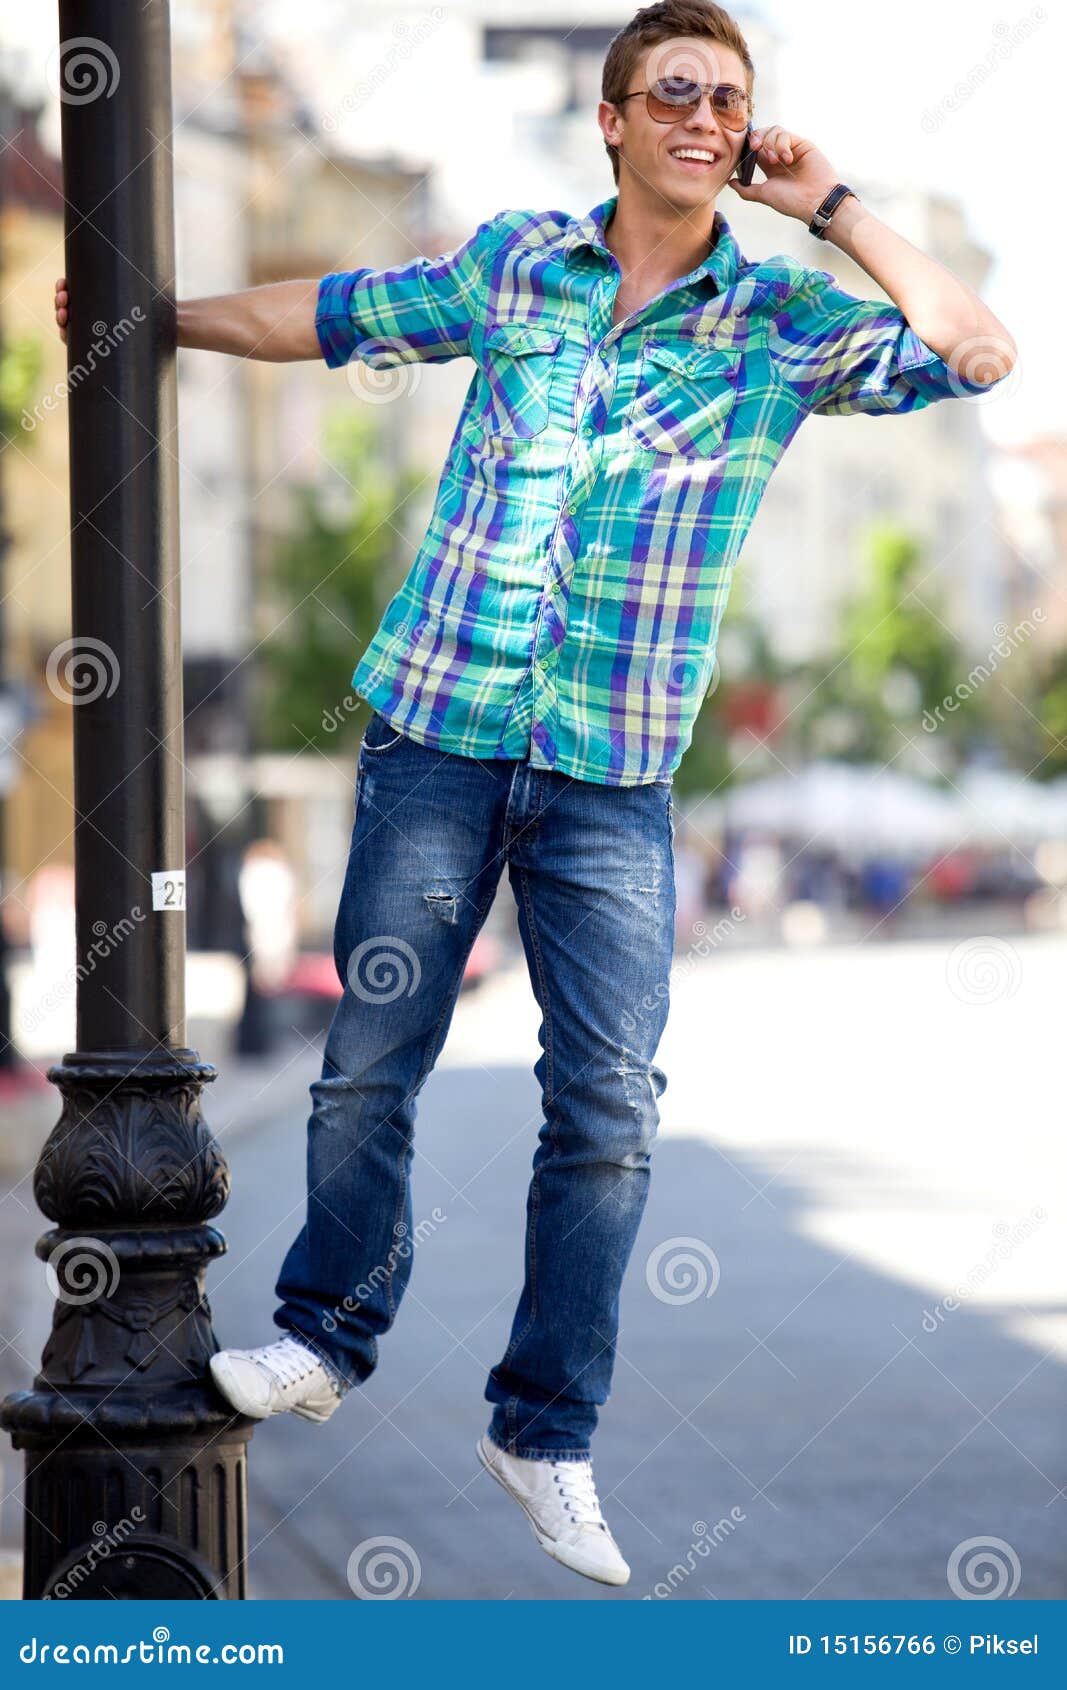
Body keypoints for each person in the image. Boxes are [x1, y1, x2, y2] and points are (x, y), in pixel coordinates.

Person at [54, 0, 1015, 1589]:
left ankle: (544, 1427)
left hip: (610, 774)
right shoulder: (518, 266)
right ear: (616, 122)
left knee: (612, 1110)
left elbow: (978, 351)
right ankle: (321, 1334)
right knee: (369, 1064)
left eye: (733, 98)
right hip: (440, 726)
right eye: (678, 93)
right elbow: (341, 314)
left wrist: (833, 205)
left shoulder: (776, 321)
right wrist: (156, 315)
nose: (708, 116)